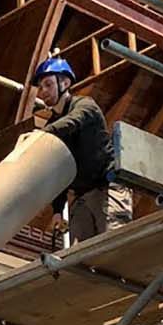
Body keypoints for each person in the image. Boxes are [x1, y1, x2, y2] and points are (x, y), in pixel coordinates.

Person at [33, 56, 132, 243]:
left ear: (65, 82)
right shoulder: (53, 124)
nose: (43, 92)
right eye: (40, 88)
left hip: (107, 188)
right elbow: (58, 169)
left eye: (47, 84)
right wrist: (56, 211)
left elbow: (73, 121)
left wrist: (39, 135)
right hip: (81, 197)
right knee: (83, 259)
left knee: (114, 246)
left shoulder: (85, 105)